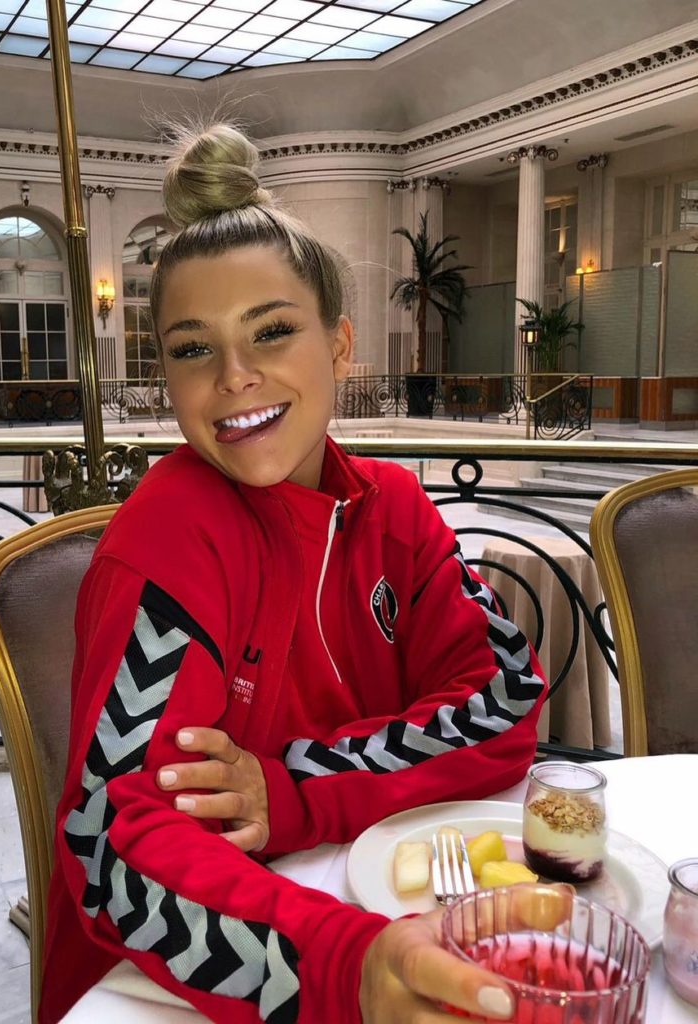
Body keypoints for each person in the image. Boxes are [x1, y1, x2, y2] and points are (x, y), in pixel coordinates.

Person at [41, 122, 547, 1024]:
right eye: (193, 348)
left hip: (376, 901)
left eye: (272, 332)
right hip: (168, 988)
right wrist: (345, 965)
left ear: (340, 345)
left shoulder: (395, 506)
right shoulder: (169, 536)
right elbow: (115, 846)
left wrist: (294, 790)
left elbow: (503, 702)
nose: (235, 376)